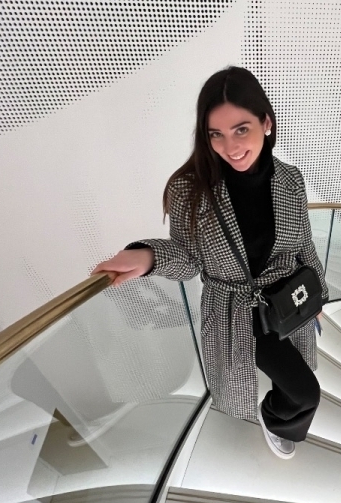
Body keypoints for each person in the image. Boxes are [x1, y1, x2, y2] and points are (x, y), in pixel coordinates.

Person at [91, 67, 328, 459]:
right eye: (215, 134)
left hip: (287, 298)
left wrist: (318, 296)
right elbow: (188, 258)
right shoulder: (191, 191)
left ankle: (276, 411)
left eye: (240, 129)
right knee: (306, 393)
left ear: (266, 123)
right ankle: (276, 418)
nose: (229, 146)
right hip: (237, 311)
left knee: (295, 377)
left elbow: (303, 243)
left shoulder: (290, 180)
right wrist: (149, 256)